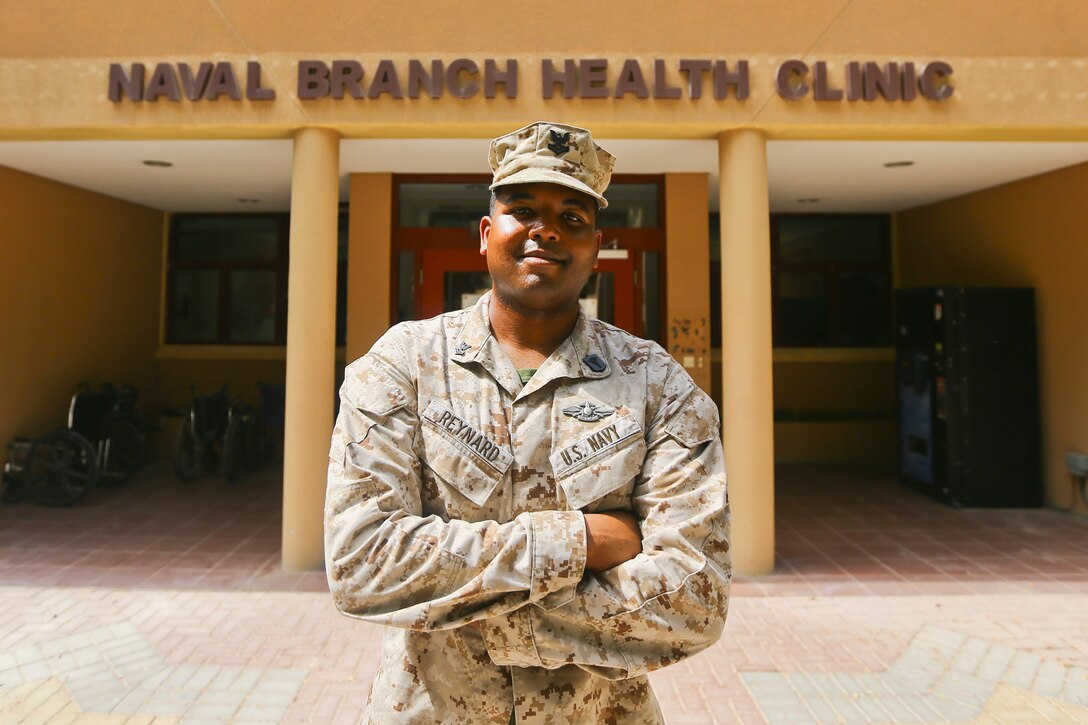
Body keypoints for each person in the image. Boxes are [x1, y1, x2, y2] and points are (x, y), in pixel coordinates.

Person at [325, 121, 731, 724]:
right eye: (522, 209)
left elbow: (694, 598)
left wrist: (479, 616)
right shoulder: (403, 365)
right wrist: (584, 541)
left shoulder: (656, 384)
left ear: (597, 246)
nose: (546, 228)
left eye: (573, 217)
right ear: (486, 235)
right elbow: (362, 562)